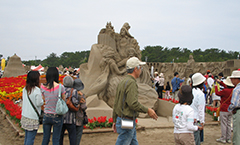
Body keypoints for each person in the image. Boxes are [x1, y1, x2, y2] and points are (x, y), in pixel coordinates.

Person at [112, 56, 158, 145]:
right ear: (135, 69)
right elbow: (133, 103)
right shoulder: (131, 83)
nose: (141, 70)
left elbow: (116, 102)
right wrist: (147, 110)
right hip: (127, 120)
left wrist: (114, 119)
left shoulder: (123, 81)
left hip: (123, 119)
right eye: (140, 67)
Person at [41, 67, 66, 145]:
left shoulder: (43, 87)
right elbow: (63, 100)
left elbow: (42, 101)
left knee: (45, 138)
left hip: (46, 115)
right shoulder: (60, 87)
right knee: (56, 139)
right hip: (57, 115)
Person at [21, 71, 44, 145]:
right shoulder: (36, 90)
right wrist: (43, 99)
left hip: (25, 115)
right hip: (32, 117)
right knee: (31, 138)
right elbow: (39, 103)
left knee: (27, 137)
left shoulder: (25, 89)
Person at [60, 76, 79, 145]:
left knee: (60, 137)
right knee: (72, 137)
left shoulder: (60, 90)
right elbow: (75, 103)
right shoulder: (73, 91)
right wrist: (78, 105)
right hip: (70, 118)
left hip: (61, 117)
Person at [215, 77, 234, 144]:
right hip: (230, 109)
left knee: (223, 124)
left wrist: (216, 86)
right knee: (229, 124)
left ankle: (223, 138)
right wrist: (220, 82)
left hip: (224, 109)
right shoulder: (233, 90)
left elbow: (217, 93)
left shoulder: (225, 91)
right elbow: (226, 85)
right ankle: (228, 138)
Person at [190, 73, 206, 145]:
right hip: (197, 119)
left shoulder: (190, 92)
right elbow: (201, 109)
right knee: (196, 139)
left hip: (189, 118)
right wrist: (202, 122)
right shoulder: (200, 94)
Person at [228, 70, 240, 145]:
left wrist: (230, 108)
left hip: (238, 111)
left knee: (237, 133)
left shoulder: (236, 89)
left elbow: (234, 104)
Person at [74, 79, 87, 145]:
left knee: (72, 137)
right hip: (79, 118)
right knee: (78, 136)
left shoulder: (71, 94)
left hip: (72, 118)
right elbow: (83, 107)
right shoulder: (81, 95)